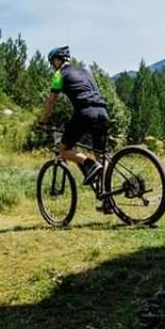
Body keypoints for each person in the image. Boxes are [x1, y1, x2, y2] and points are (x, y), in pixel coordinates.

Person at [36, 46, 112, 212]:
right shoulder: (85, 72)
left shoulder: (59, 75)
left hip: (85, 113)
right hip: (103, 113)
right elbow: (92, 92)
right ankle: (108, 200)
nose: (52, 66)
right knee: (102, 157)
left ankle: (88, 162)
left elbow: (50, 101)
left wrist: (42, 121)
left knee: (63, 150)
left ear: (57, 60)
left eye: (51, 62)